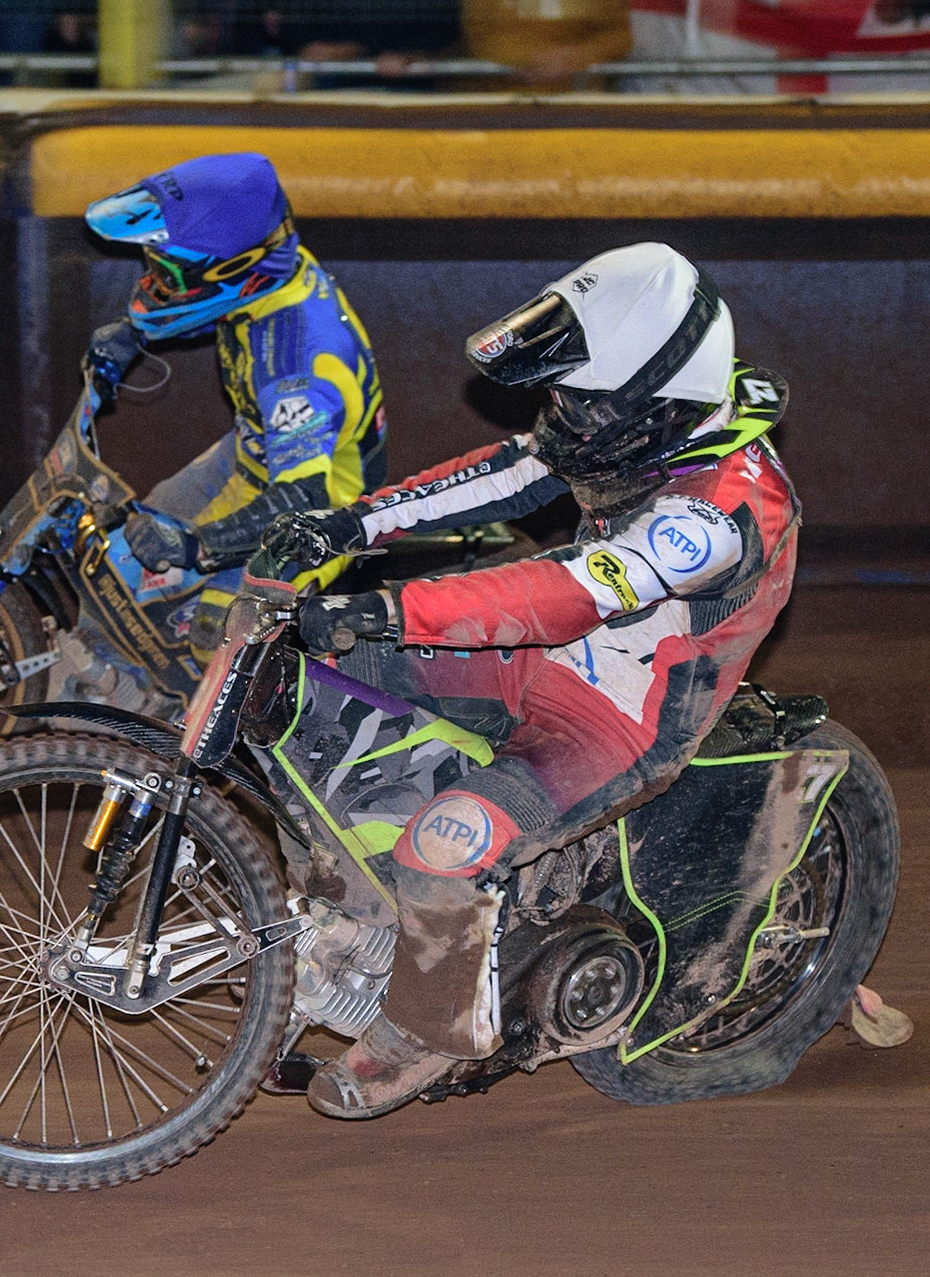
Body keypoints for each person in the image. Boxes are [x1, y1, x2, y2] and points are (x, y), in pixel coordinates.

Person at [265, 243, 806, 1118]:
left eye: (576, 400)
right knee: (302, 684)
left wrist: (394, 608)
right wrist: (349, 525)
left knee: (445, 846)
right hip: (533, 661)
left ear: (648, 403)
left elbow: (562, 596)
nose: (560, 416)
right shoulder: (638, 423)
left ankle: (431, 1030)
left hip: (618, 716)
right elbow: (511, 473)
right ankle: (359, 912)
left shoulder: (718, 515)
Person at [61, 152, 387, 712]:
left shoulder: (299, 362)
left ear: (233, 272)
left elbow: (302, 503)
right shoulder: (266, 263)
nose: (153, 283)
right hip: (255, 455)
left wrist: (197, 547)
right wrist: (133, 332)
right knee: (119, 558)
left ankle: (184, 745)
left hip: (322, 508)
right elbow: (208, 299)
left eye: (166, 274)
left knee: (213, 642)